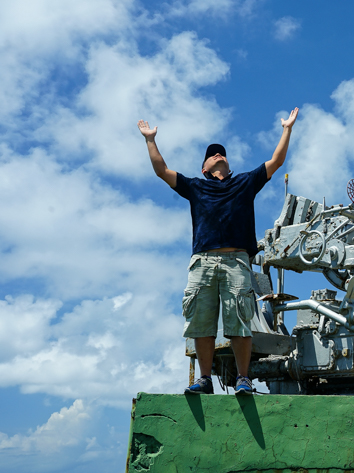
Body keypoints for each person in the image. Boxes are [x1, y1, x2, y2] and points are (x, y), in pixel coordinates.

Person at [137, 107, 299, 395]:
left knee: (239, 320)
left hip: (237, 260)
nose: (218, 154)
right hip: (203, 260)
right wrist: (150, 139)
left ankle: (243, 378)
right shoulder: (196, 187)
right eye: (212, 154)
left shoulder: (244, 183)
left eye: (221, 152)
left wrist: (286, 129)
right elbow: (162, 171)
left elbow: (276, 161)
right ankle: (204, 379)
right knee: (201, 321)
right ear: (204, 168)